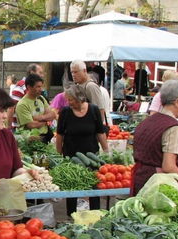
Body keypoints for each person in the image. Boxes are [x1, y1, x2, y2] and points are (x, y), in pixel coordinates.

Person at [132, 79, 178, 194]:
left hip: (140, 180)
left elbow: (152, 155)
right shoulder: (173, 128)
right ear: (177, 102)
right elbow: (168, 166)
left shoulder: (147, 122)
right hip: (158, 189)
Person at [56, 85, 108, 215]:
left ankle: (95, 213)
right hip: (71, 155)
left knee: (93, 185)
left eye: (71, 100)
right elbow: (60, 135)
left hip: (91, 156)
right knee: (72, 185)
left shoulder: (93, 110)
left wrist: (106, 151)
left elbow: (100, 132)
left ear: (79, 98)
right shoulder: (66, 112)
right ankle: (71, 214)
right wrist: (58, 154)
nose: (68, 103)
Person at [15, 74, 56, 143]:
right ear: (28, 87)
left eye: (41, 86)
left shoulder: (41, 98)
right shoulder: (22, 104)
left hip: (46, 136)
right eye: (38, 87)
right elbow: (31, 125)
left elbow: (53, 115)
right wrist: (46, 120)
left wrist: (40, 118)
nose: (41, 89)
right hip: (32, 140)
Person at [70, 60, 108, 128]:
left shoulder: (90, 86)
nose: (73, 75)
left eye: (76, 72)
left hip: (90, 129)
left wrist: (97, 130)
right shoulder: (79, 85)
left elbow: (100, 110)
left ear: (84, 71)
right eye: (72, 72)